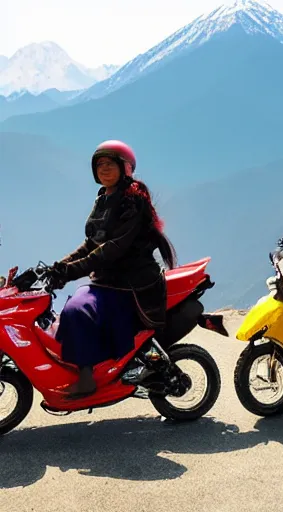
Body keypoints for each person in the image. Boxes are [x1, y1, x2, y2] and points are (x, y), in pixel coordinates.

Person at [48, 140, 177, 399]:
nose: (103, 169)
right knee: (69, 309)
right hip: (108, 280)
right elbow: (91, 243)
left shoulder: (133, 201)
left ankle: (87, 379)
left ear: (125, 168)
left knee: (77, 310)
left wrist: (70, 272)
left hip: (131, 283)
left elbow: (113, 248)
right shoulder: (103, 199)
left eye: (110, 164)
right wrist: (58, 267)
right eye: (99, 165)